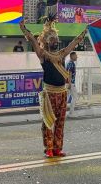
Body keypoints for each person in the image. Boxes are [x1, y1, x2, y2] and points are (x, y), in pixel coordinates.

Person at [19, 15, 87, 158]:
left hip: (62, 93)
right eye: (52, 39)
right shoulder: (43, 54)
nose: (55, 41)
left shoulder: (62, 54)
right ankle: (49, 149)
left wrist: (84, 33)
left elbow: (73, 44)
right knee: (48, 122)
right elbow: (32, 40)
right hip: (49, 94)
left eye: (56, 39)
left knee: (60, 123)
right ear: (46, 41)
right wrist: (24, 29)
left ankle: (57, 148)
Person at [66, 52, 79, 116]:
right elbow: (69, 73)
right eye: (76, 56)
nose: (77, 57)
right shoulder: (71, 64)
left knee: (67, 98)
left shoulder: (69, 63)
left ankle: (62, 112)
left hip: (68, 83)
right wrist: (69, 83)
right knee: (75, 97)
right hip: (70, 83)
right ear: (72, 56)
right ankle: (71, 112)